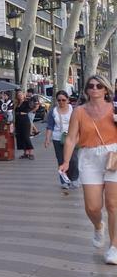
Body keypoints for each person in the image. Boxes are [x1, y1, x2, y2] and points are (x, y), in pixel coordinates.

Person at [60, 75, 117, 265]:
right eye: (90, 86)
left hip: (113, 156)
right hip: (89, 157)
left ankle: (114, 248)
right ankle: (98, 225)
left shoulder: (114, 108)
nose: (94, 89)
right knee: (92, 207)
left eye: (99, 86)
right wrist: (66, 161)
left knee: (113, 204)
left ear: (106, 89)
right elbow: (70, 138)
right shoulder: (79, 112)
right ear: (86, 90)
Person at [44, 91, 79, 194]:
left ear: (68, 99)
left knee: (73, 160)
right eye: (59, 100)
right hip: (57, 138)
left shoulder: (74, 110)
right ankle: (64, 181)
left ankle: (74, 179)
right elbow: (50, 126)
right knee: (61, 160)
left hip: (72, 138)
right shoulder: (53, 111)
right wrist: (47, 139)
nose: (61, 102)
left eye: (63, 100)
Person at [14, 90, 35, 159]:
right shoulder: (17, 103)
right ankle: (25, 153)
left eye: (21, 94)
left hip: (25, 121)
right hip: (18, 121)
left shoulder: (26, 102)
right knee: (20, 137)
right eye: (18, 95)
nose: (19, 96)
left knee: (26, 137)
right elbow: (16, 112)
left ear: (23, 95)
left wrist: (20, 113)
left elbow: (28, 109)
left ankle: (31, 153)